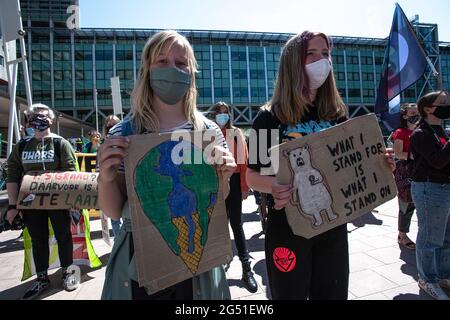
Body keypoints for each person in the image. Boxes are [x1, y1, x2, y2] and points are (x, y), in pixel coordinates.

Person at [246, 31, 395, 300]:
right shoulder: (267, 117)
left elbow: (348, 165)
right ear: (292, 62)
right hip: (287, 228)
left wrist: (377, 162)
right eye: (310, 54)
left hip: (333, 227)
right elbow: (251, 176)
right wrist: (273, 186)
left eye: (325, 54)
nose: (320, 60)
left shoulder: (336, 114)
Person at [98, 30, 236, 300]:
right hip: (139, 261)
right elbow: (114, 210)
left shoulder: (208, 132)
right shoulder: (124, 133)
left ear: (191, 72)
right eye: (162, 61)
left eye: (181, 63)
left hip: (197, 257)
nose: (172, 69)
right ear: (147, 69)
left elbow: (217, 199)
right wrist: (105, 177)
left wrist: (225, 177)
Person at [6, 103, 79, 300]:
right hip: (31, 204)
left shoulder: (60, 144)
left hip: (58, 202)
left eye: (44, 115)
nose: (39, 118)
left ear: (51, 120)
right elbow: (12, 175)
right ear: (28, 120)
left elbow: (72, 174)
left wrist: (73, 202)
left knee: (63, 236)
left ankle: (68, 272)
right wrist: (13, 206)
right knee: (38, 240)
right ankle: (42, 277)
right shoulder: (22, 146)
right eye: (35, 115)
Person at [211, 101, 258, 293]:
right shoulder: (208, 133)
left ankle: (247, 269)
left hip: (235, 181)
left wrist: (245, 187)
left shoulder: (236, 133)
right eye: (219, 113)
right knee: (219, 226)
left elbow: (243, 162)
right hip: (215, 184)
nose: (223, 116)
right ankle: (218, 266)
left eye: (226, 113)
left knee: (236, 225)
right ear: (214, 115)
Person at [409, 90, 450, 300]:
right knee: (430, 237)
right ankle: (427, 279)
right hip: (429, 189)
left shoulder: (440, 131)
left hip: (443, 188)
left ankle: (443, 275)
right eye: (442, 103)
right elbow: (438, 161)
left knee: (446, 237)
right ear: (427, 108)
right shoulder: (420, 134)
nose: (447, 105)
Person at [392, 103, 419, 250]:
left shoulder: (421, 131)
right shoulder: (401, 132)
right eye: (413, 112)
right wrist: (418, 156)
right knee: (406, 204)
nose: (416, 115)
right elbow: (398, 154)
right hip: (405, 172)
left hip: (420, 171)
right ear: (405, 116)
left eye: (417, 112)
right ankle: (402, 235)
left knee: (419, 204)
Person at [102, 115, 122, 237]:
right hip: (111, 181)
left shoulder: (124, 137)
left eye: (114, 124)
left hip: (122, 180)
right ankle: (117, 238)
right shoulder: (103, 142)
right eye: (109, 125)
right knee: (114, 217)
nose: (111, 127)